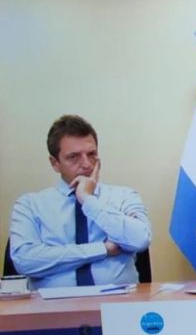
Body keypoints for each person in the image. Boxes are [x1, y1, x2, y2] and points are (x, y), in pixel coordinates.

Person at [8, 115, 152, 289]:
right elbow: (25, 260)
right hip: (53, 304)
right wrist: (103, 249)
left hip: (119, 301)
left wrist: (88, 200)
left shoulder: (124, 196)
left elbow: (140, 240)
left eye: (91, 154)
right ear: (55, 163)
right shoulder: (30, 205)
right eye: (73, 157)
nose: (86, 164)